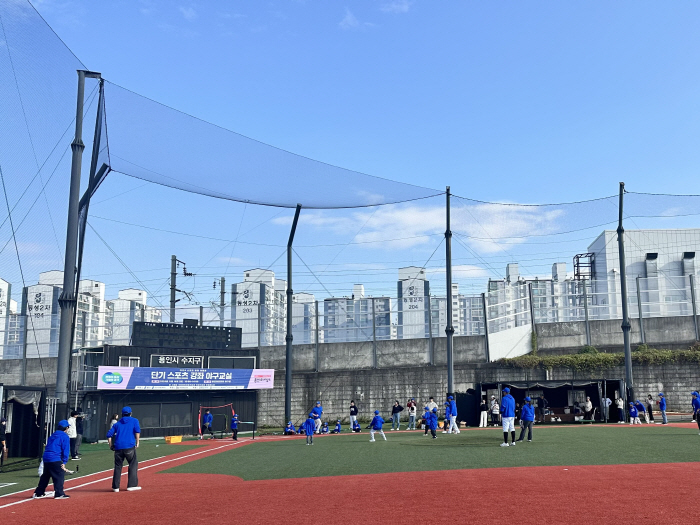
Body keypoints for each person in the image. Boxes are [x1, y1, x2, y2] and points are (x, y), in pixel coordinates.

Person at [33, 419, 71, 499]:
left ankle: (39, 492)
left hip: (46, 457)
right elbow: (65, 450)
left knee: (45, 476)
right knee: (59, 475)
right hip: (55, 458)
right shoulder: (65, 436)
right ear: (66, 428)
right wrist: (64, 462)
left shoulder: (53, 435)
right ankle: (59, 493)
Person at [106, 406, 141, 492]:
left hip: (118, 447)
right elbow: (137, 431)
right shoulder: (134, 421)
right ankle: (131, 485)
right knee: (133, 464)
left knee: (118, 466)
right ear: (130, 413)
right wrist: (137, 442)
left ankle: (115, 487)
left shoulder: (117, 424)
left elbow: (109, 435)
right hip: (129, 446)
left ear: (122, 414)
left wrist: (110, 445)